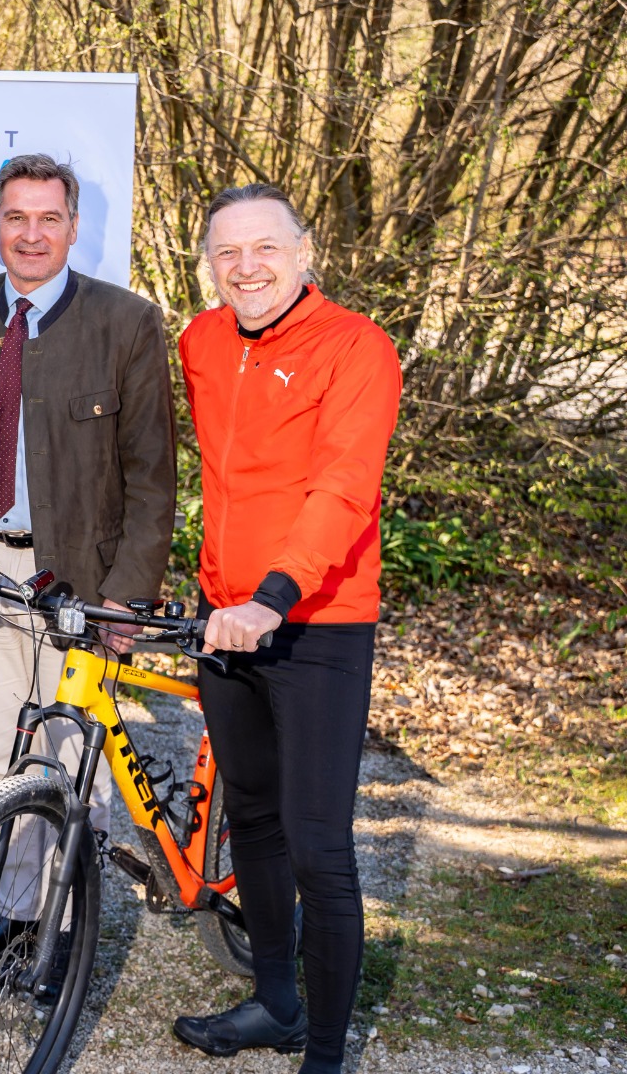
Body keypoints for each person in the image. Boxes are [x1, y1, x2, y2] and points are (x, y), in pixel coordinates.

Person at [173, 183, 401, 1074]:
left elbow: (344, 486)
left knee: (318, 846)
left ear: (305, 254)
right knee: (254, 822)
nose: (247, 267)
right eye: (227, 252)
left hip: (316, 624)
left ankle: (328, 1057)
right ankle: (276, 1003)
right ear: (209, 266)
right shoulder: (200, 342)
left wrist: (273, 596)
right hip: (226, 622)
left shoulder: (356, 346)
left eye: (265, 247)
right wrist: (220, 595)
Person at [0, 152, 177, 963]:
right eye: (16, 217)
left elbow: (153, 479)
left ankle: (63, 934)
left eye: (48, 219)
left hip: (82, 577)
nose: (31, 234)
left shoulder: (126, 322)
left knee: (71, 756)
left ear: (74, 227)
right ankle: (10, 919)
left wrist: (127, 597)